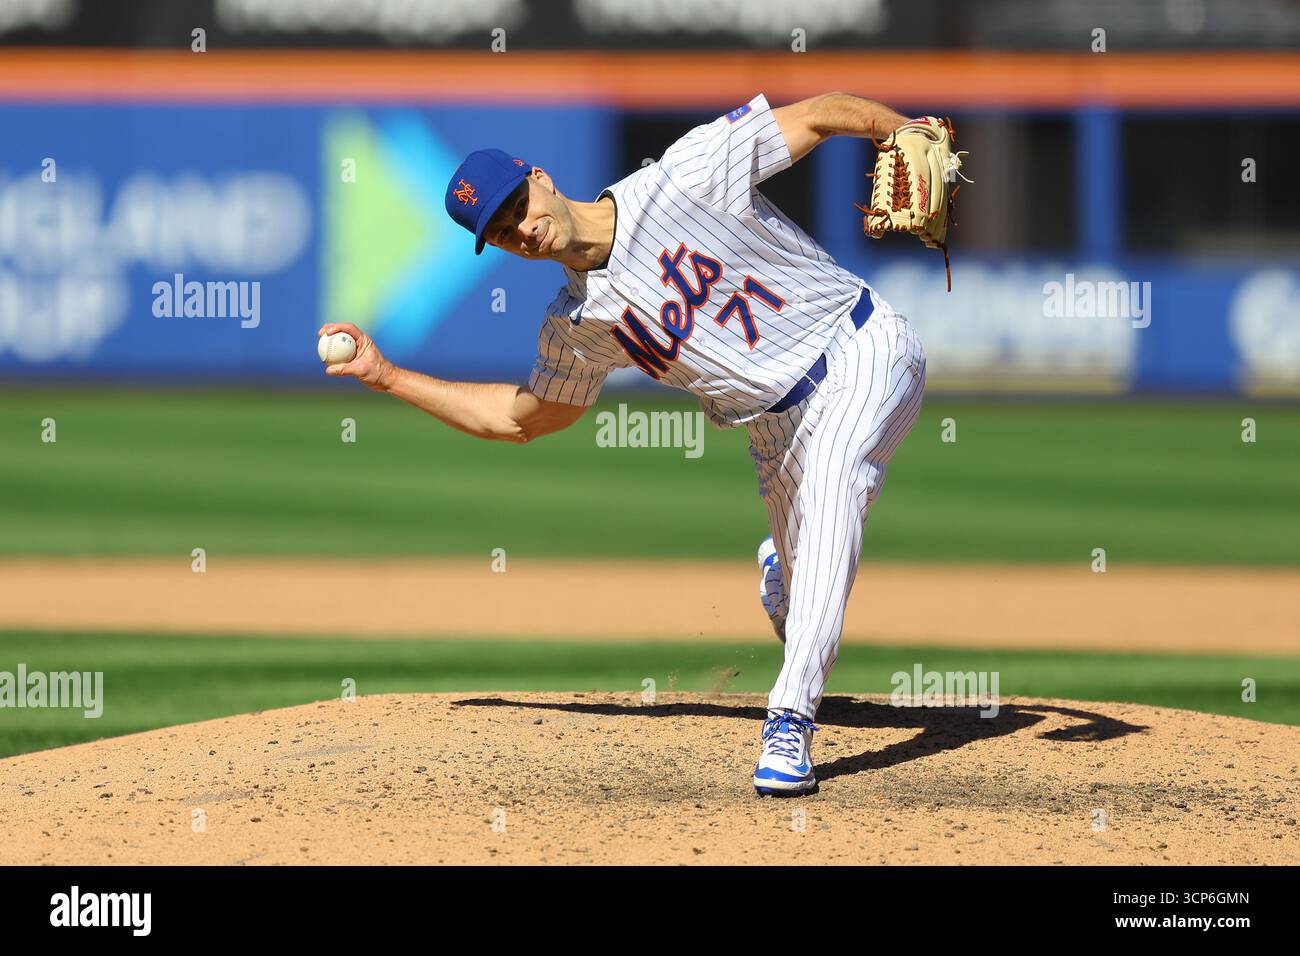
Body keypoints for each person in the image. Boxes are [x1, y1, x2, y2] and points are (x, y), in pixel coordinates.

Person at [320, 92, 927, 797]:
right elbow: (523, 419)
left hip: (860, 348)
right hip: (772, 429)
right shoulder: (576, 323)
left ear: (540, 177)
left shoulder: (687, 174)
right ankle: (783, 580)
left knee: (836, 485)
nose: (522, 228)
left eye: (518, 204)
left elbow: (821, 114)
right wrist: (390, 377)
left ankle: (788, 723)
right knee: (807, 570)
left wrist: (898, 130)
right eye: (501, 231)